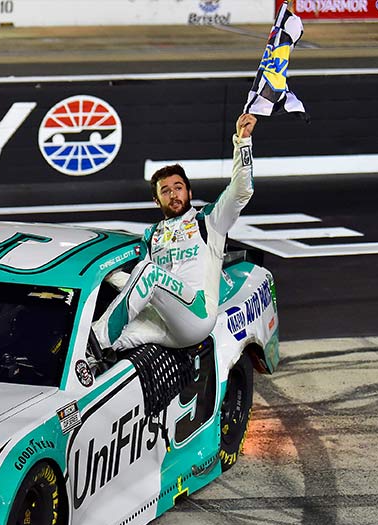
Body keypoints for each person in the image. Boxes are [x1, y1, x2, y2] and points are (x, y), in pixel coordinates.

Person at [92, 113, 257, 352]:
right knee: (100, 346)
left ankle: (99, 338)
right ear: (156, 200)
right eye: (166, 191)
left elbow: (242, 190)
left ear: (189, 193)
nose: (173, 195)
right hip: (159, 320)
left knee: (149, 273)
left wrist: (243, 141)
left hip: (197, 317)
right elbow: (137, 285)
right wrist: (105, 274)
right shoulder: (151, 235)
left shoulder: (209, 221)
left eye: (178, 188)